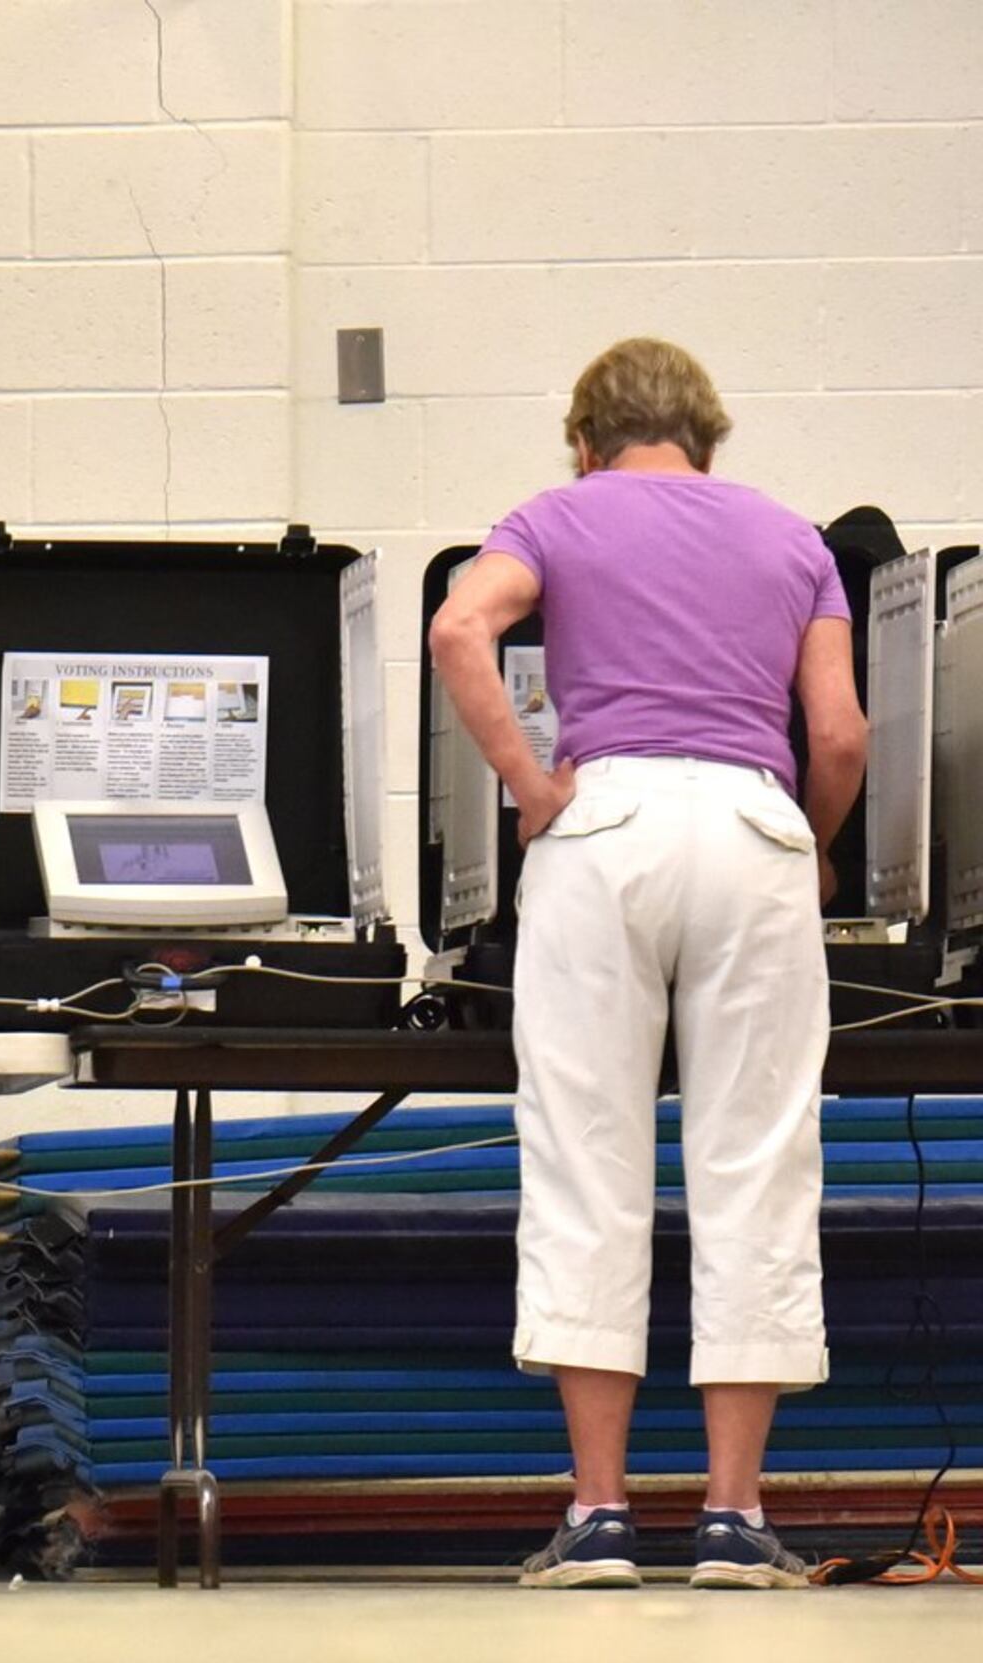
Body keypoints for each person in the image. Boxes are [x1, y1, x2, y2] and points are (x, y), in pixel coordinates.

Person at [429, 337, 864, 1589]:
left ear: (584, 441)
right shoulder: (793, 541)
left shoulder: (556, 515)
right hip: (750, 825)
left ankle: (601, 1516)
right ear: (711, 441)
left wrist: (528, 784)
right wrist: (812, 848)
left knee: (588, 1159)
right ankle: (733, 1517)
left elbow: (462, 625)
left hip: (602, 826)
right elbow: (835, 731)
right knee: (758, 1166)